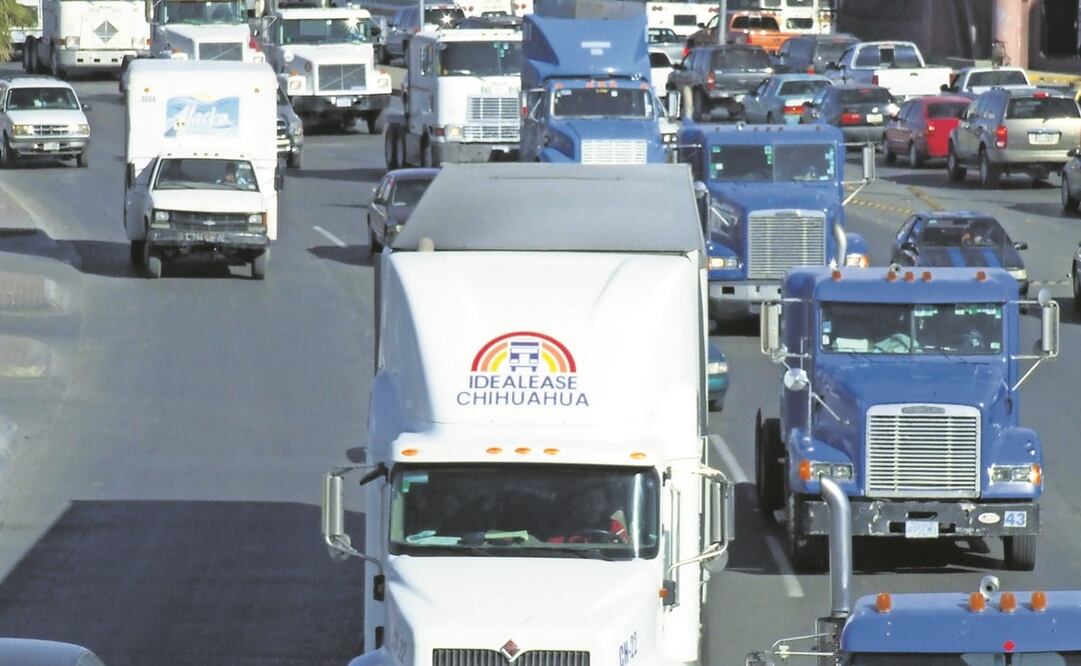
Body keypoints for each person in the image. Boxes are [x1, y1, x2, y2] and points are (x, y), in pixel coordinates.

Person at [548, 484, 628, 544]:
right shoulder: (567, 526)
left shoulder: (615, 526)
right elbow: (553, 546)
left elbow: (624, 545)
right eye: (588, 500)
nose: (593, 504)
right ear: (581, 503)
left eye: (598, 500)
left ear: (605, 505)